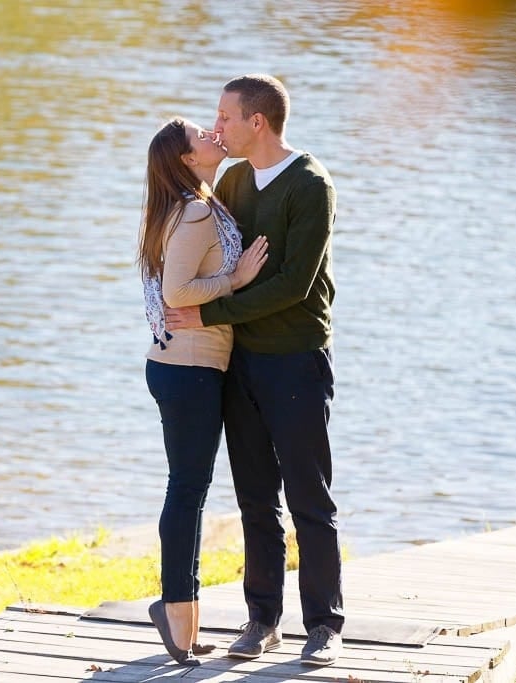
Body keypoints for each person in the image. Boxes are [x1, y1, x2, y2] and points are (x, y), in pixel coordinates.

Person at [164, 74, 344, 666]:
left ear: (257, 122)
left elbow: (294, 286)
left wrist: (209, 309)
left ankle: (324, 624)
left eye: (225, 116)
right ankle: (262, 618)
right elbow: (212, 249)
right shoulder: (236, 179)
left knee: (309, 499)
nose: (217, 126)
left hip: (295, 360)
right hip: (240, 361)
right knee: (254, 499)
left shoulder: (310, 185)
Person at [138, 117, 268, 666]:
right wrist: (234, 282)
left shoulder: (192, 203)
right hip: (189, 368)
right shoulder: (193, 210)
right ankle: (174, 613)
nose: (214, 136)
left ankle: (183, 622)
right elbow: (177, 290)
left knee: (189, 489)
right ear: (188, 159)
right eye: (202, 136)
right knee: (187, 490)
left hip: (184, 367)